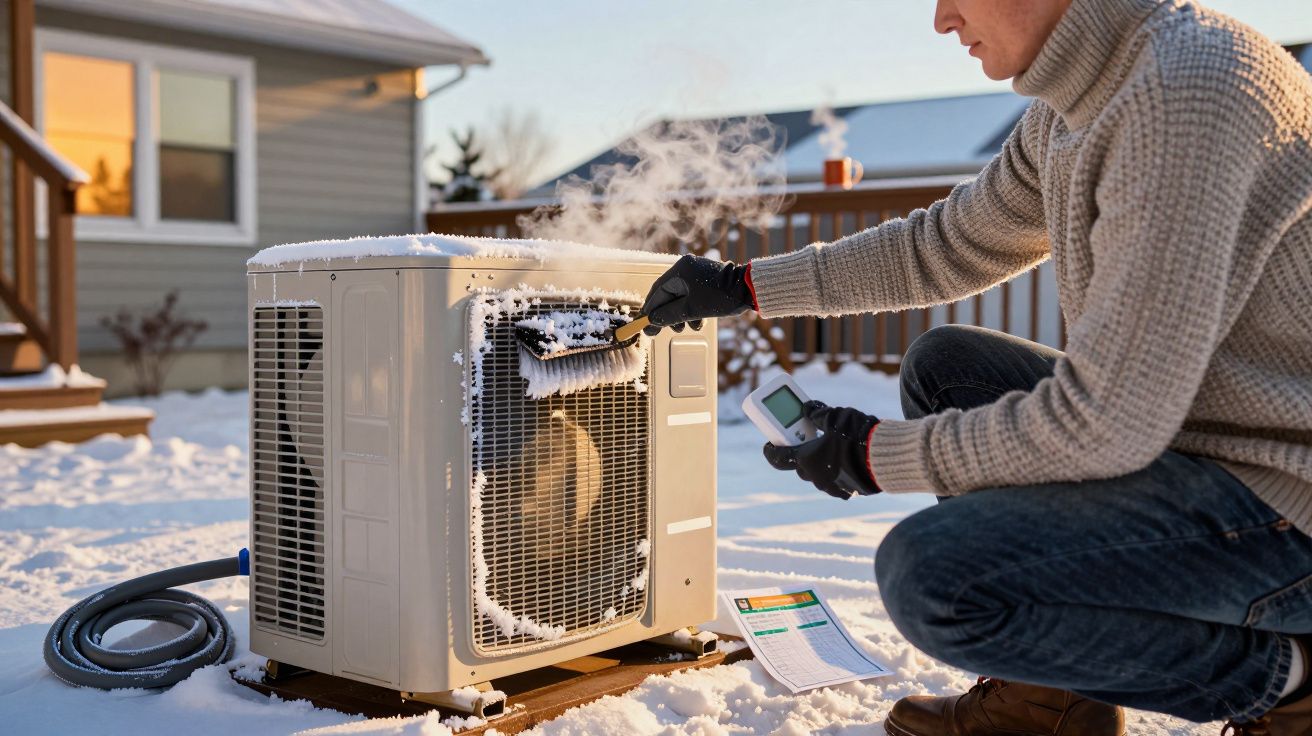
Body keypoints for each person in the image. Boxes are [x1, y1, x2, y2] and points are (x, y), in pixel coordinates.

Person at [639, 0, 1312, 733]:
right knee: (949, 368)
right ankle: (1048, 704)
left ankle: (1294, 685)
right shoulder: (1080, 100)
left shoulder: (1183, 94)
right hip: (1199, 446)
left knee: (937, 580)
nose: (942, 20)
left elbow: (1106, 422)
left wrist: (872, 454)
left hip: (1286, 498)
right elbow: (942, 246)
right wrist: (745, 286)